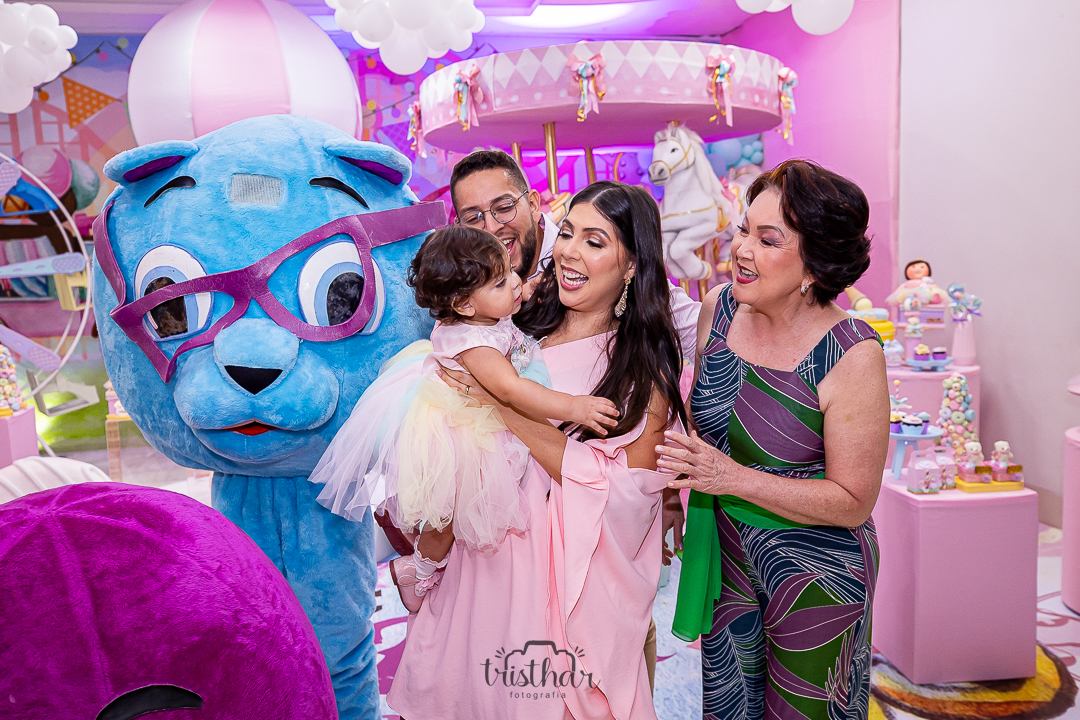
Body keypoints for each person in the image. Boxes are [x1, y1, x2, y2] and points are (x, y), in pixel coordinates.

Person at [387, 181, 687, 719]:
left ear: (632, 265)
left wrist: (502, 407)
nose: (569, 250)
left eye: (595, 241)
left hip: (557, 584)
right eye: (567, 232)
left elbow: (626, 495)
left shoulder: (644, 369)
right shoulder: (512, 322)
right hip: (480, 560)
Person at [656, 160, 889, 720]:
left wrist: (732, 478)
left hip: (818, 575)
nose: (740, 249)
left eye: (768, 239)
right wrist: (676, 493)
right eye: (743, 229)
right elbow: (709, 421)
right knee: (730, 706)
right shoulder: (718, 309)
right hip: (728, 556)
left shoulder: (852, 354)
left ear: (814, 264)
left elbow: (853, 501)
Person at [310, 227, 619, 611]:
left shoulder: (485, 312)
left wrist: (526, 286)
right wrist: (573, 407)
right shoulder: (473, 343)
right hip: (459, 428)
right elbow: (510, 390)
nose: (515, 283)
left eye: (510, 271)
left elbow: (514, 303)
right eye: (501, 282)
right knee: (448, 515)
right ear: (465, 305)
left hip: (474, 414)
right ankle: (418, 568)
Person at [448, 149, 701, 356]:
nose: (491, 228)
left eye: (504, 207)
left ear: (533, 205)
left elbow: (703, 334)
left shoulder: (598, 268)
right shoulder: (462, 284)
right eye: (473, 218)